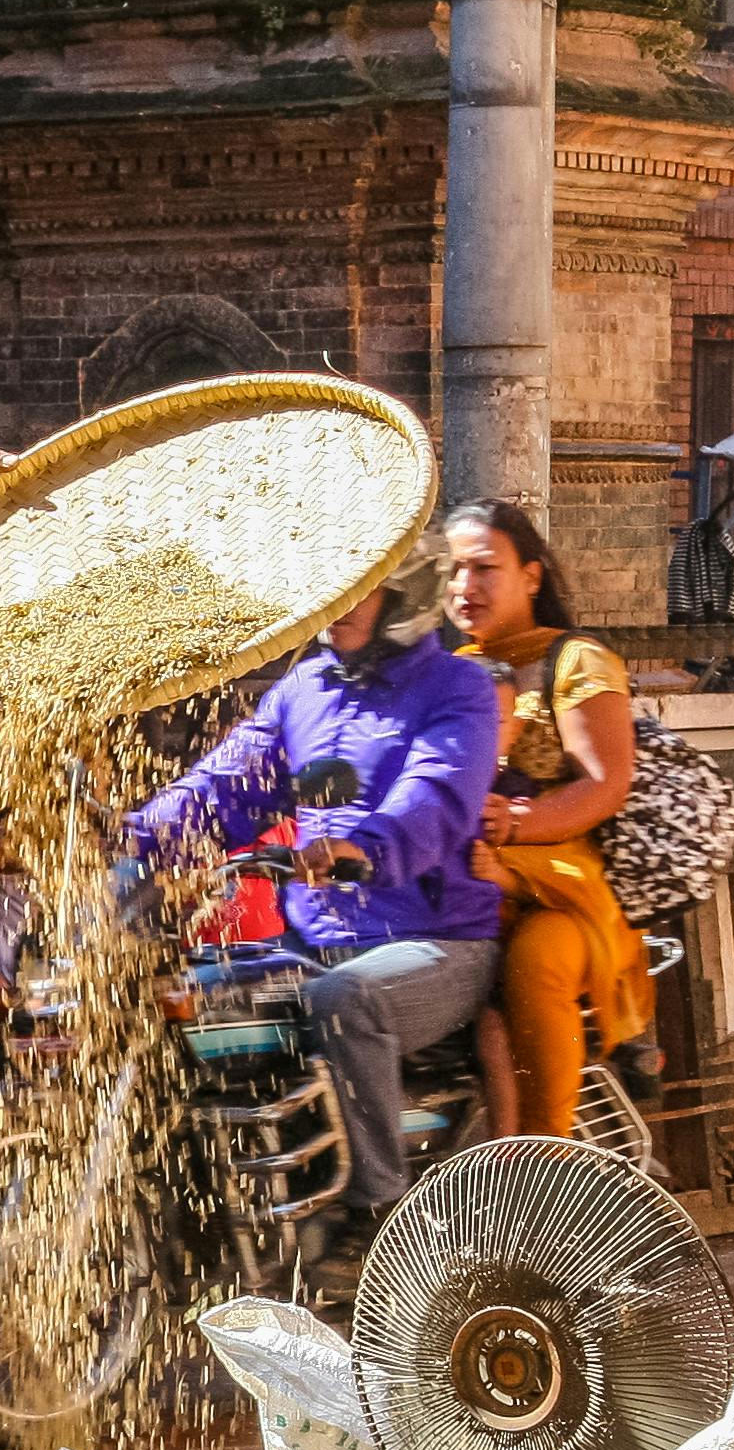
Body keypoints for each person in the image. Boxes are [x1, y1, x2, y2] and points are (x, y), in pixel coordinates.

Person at [123, 538, 503, 1283]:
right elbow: (221, 790)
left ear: (402, 596)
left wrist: (367, 845)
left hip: (439, 942)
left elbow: (436, 794)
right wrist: (131, 836)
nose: (331, 611)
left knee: (344, 998)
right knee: (188, 993)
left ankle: (377, 1219)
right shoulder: (302, 692)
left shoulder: (459, 689)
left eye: (351, 592)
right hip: (314, 939)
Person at [445, 499, 653, 1139]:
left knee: (533, 962)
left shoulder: (576, 661)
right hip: (465, 886)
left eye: (484, 568)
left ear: (531, 576)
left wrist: (516, 826)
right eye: (453, 571)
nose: (463, 587)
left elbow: (603, 783)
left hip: (562, 897)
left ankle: (547, 1166)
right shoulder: (447, 672)